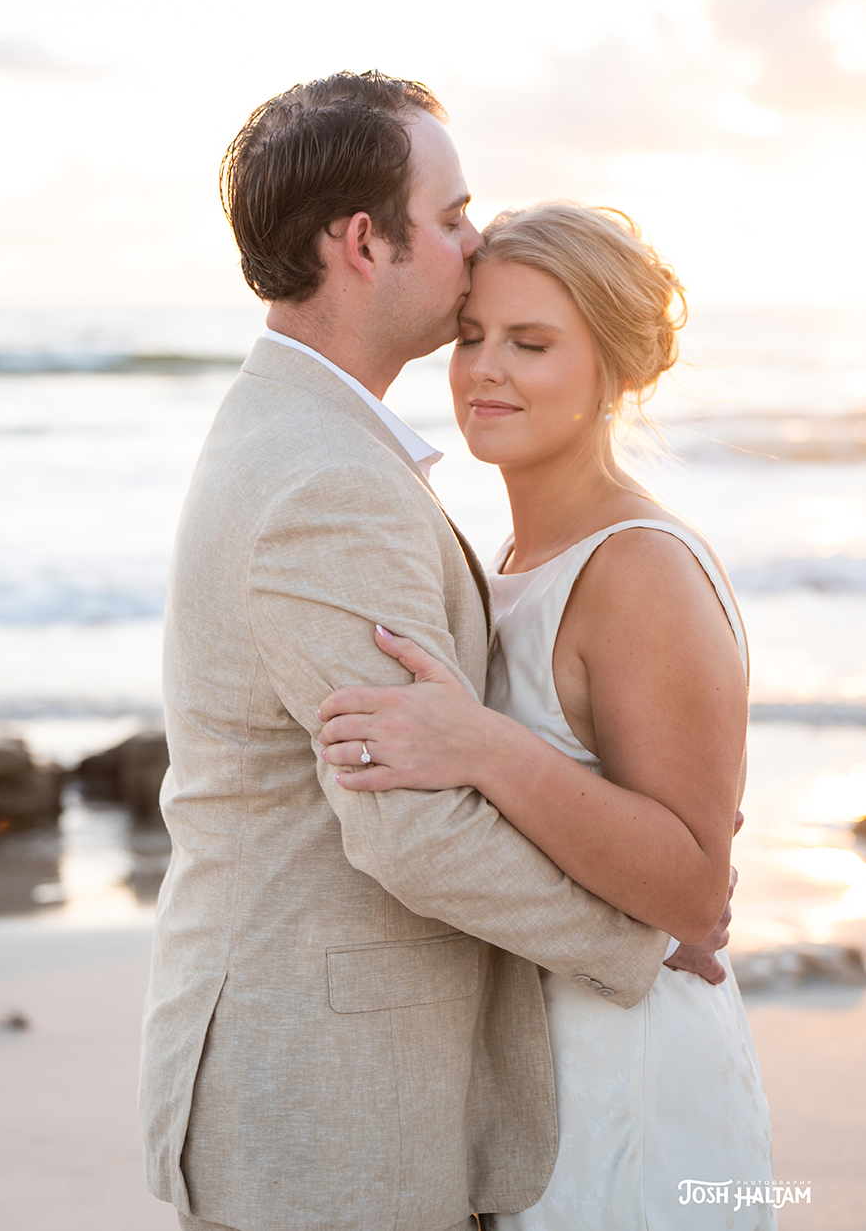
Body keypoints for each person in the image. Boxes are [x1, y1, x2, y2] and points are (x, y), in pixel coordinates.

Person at [137, 72, 729, 1231]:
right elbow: (410, 827)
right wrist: (640, 935)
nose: (473, 241)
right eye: (452, 216)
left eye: (529, 340)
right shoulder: (328, 481)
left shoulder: (300, 434)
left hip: (336, 1079)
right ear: (364, 242)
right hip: (328, 1103)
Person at [317, 201, 774, 1229]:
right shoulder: (509, 560)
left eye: (530, 343)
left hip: (631, 1082)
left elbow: (693, 889)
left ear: (616, 372)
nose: (485, 370)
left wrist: (486, 746)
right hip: (533, 1080)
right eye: (470, 336)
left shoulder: (639, 568)